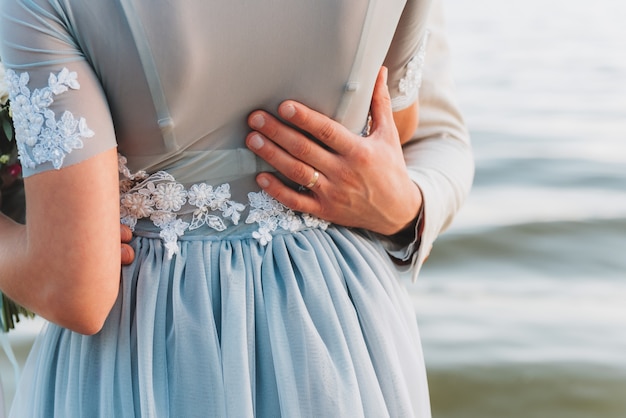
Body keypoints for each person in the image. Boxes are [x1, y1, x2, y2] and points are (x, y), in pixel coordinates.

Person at [0, 0, 473, 416]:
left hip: (150, 330)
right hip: (339, 322)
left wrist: (406, 208)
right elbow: (396, 119)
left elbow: (74, 285)